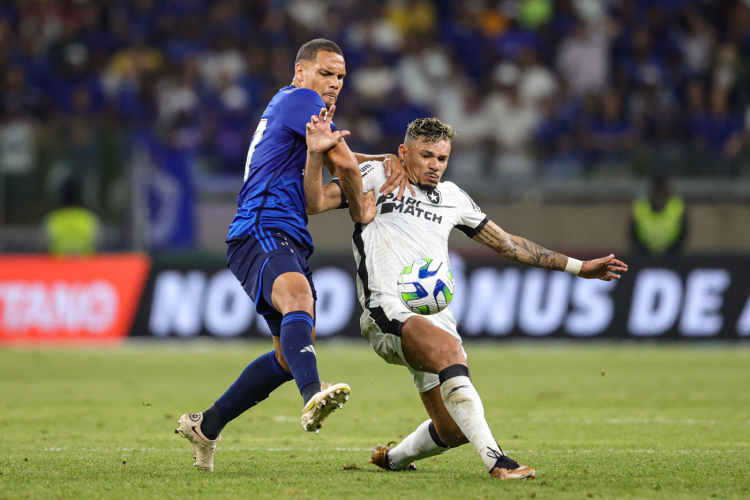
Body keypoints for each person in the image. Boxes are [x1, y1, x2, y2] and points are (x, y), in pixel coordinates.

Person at [303, 114, 628, 479]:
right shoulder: (378, 176)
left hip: (434, 316)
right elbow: (314, 203)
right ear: (403, 153)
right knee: (449, 353)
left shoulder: (453, 197)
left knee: (452, 430)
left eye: (442, 158)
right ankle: (498, 462)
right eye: (426, 155)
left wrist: (579, 267)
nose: (434, 166)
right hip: (385, 309)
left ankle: (391, 458)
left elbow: (507, 245)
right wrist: (332, 158)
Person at [176, 39, 411, 472]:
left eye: (341, 76)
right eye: (326, 73)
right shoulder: (299, 99)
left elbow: (316, 198)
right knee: (298, 297)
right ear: (300, 72)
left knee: (288, 355)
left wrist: (373, 163)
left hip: (288, 234)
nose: (335, 83)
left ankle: (206, 426)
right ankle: (312, 396)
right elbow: (342, 166)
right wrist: (364, 200)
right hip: (260, 227)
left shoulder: (307, 123)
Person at [630, 177, 687, 256]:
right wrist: (643, 252)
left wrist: (672, 252)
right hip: (643, 255)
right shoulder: (641, 207)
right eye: (657, 192)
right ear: (651, 193)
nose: (659, 197)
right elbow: (632, 233)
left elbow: (684, 232)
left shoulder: (676, 206)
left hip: (673, 254)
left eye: (662, 192)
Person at [44, 178, 100, 256]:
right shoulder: (89, 218)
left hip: (58, 266)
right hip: (85, 266)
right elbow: (98, 244)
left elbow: (44, 246)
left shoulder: (53, 219)